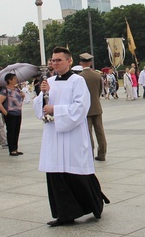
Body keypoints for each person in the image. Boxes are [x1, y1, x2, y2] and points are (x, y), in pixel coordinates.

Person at [36, 47, 109, 226]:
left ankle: (94, 203)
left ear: (69, 61)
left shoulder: (78, 81)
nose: (55, 63)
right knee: (57, 173)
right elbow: (40, 106)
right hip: (54, 134)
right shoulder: (50, 81)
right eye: (53, 60)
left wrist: (57, 110)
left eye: (58, 60)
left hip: (72, 134)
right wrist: (42, 94)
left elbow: (81, 107)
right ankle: (65, 214)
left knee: (77, 172)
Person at [78, 53, 107, 162]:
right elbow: (100, 91)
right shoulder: (97, 75)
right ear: (90, 63)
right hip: (97, 106)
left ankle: (89, 153)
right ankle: (102, 153)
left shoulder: (79, 77)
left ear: (81, 63)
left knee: (87, 132)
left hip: (86, 109)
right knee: (100, 131)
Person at [0, 73, 25, 156]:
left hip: (18, 112)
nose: (16, 80)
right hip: (10, 113)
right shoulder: (5, 90)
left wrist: (22, 96)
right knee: (11, 131)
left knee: (17, 131)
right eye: (14, 78)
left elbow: (19, 101)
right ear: (9, 80)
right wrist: (6, 113)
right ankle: (11, 149)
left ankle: (15, 148)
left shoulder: (17, 89)